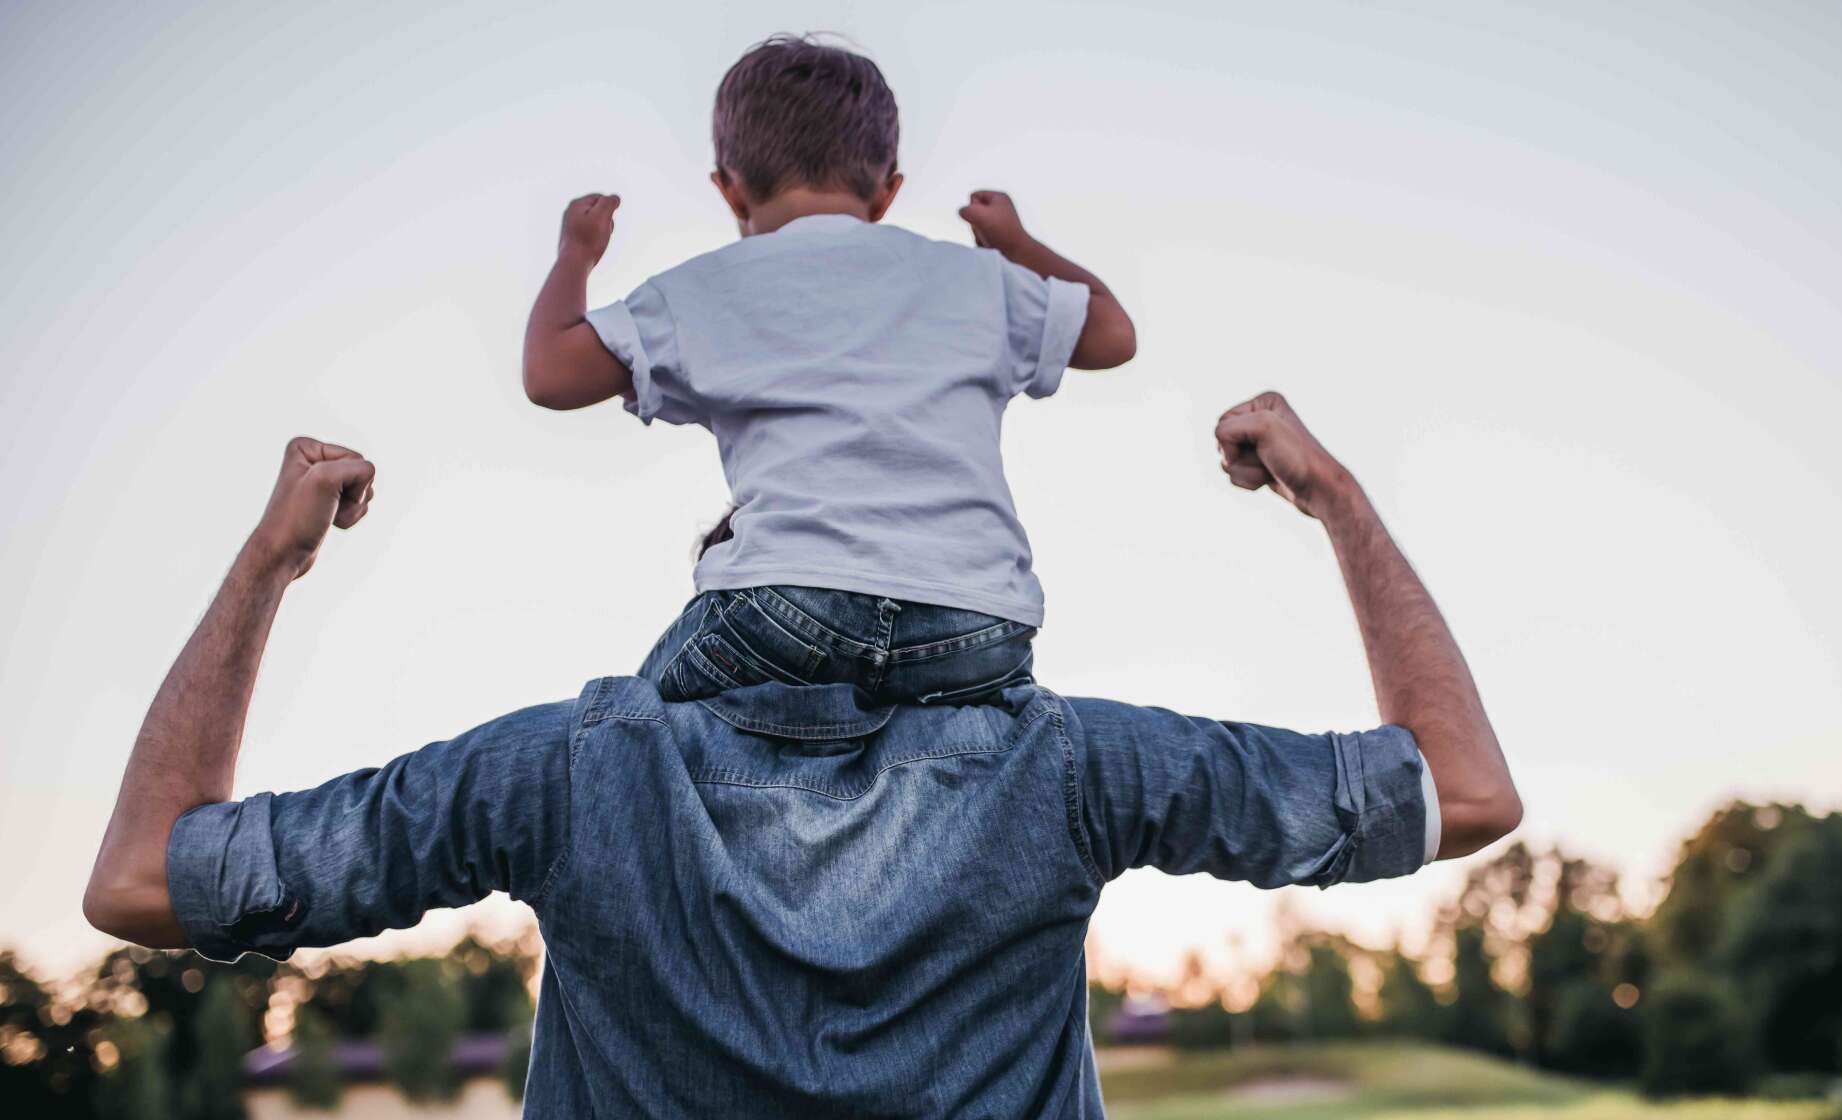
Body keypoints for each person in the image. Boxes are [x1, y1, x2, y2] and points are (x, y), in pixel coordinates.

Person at [83, 392, 1522, 1118]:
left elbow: (146, 879)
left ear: (716, 581)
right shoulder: (1067, 770)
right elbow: (1464, 792)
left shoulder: (565, 775)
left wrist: (271, 564)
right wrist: (1333, 500)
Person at [520, 34, 1138, 708]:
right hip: (978, 624)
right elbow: (1113, 334)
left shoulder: (705, 289)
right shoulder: (976, 280)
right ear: (888, 191)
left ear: (729, 190)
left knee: (629, 728)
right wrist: (1016, 244)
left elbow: (550, 373)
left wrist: (575, 255)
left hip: (788, 611)